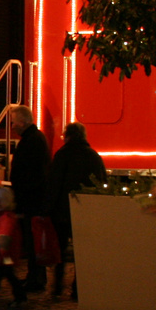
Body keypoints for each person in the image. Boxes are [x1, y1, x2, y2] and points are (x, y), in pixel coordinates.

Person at [46, 123, 106, 301]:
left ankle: (57, 287)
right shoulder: (94, 156)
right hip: (85, 210)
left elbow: (54, 183)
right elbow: (102, 182)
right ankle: (77, 289)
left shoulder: (62, 155)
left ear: (68, 136)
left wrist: (48, 208)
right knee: (82, 251)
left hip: (63, 211)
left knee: (60, 250)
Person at [6, 105, 50, 293]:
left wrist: (20, 195)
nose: (13, 126)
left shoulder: (31, 142)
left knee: (33, 243)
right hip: (33, 198)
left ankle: (36, 278)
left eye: (14, 122)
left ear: (23, 122)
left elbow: (28, 174)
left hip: (31, 200)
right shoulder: (35, 139)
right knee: (33, 243)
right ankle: (35, 276)